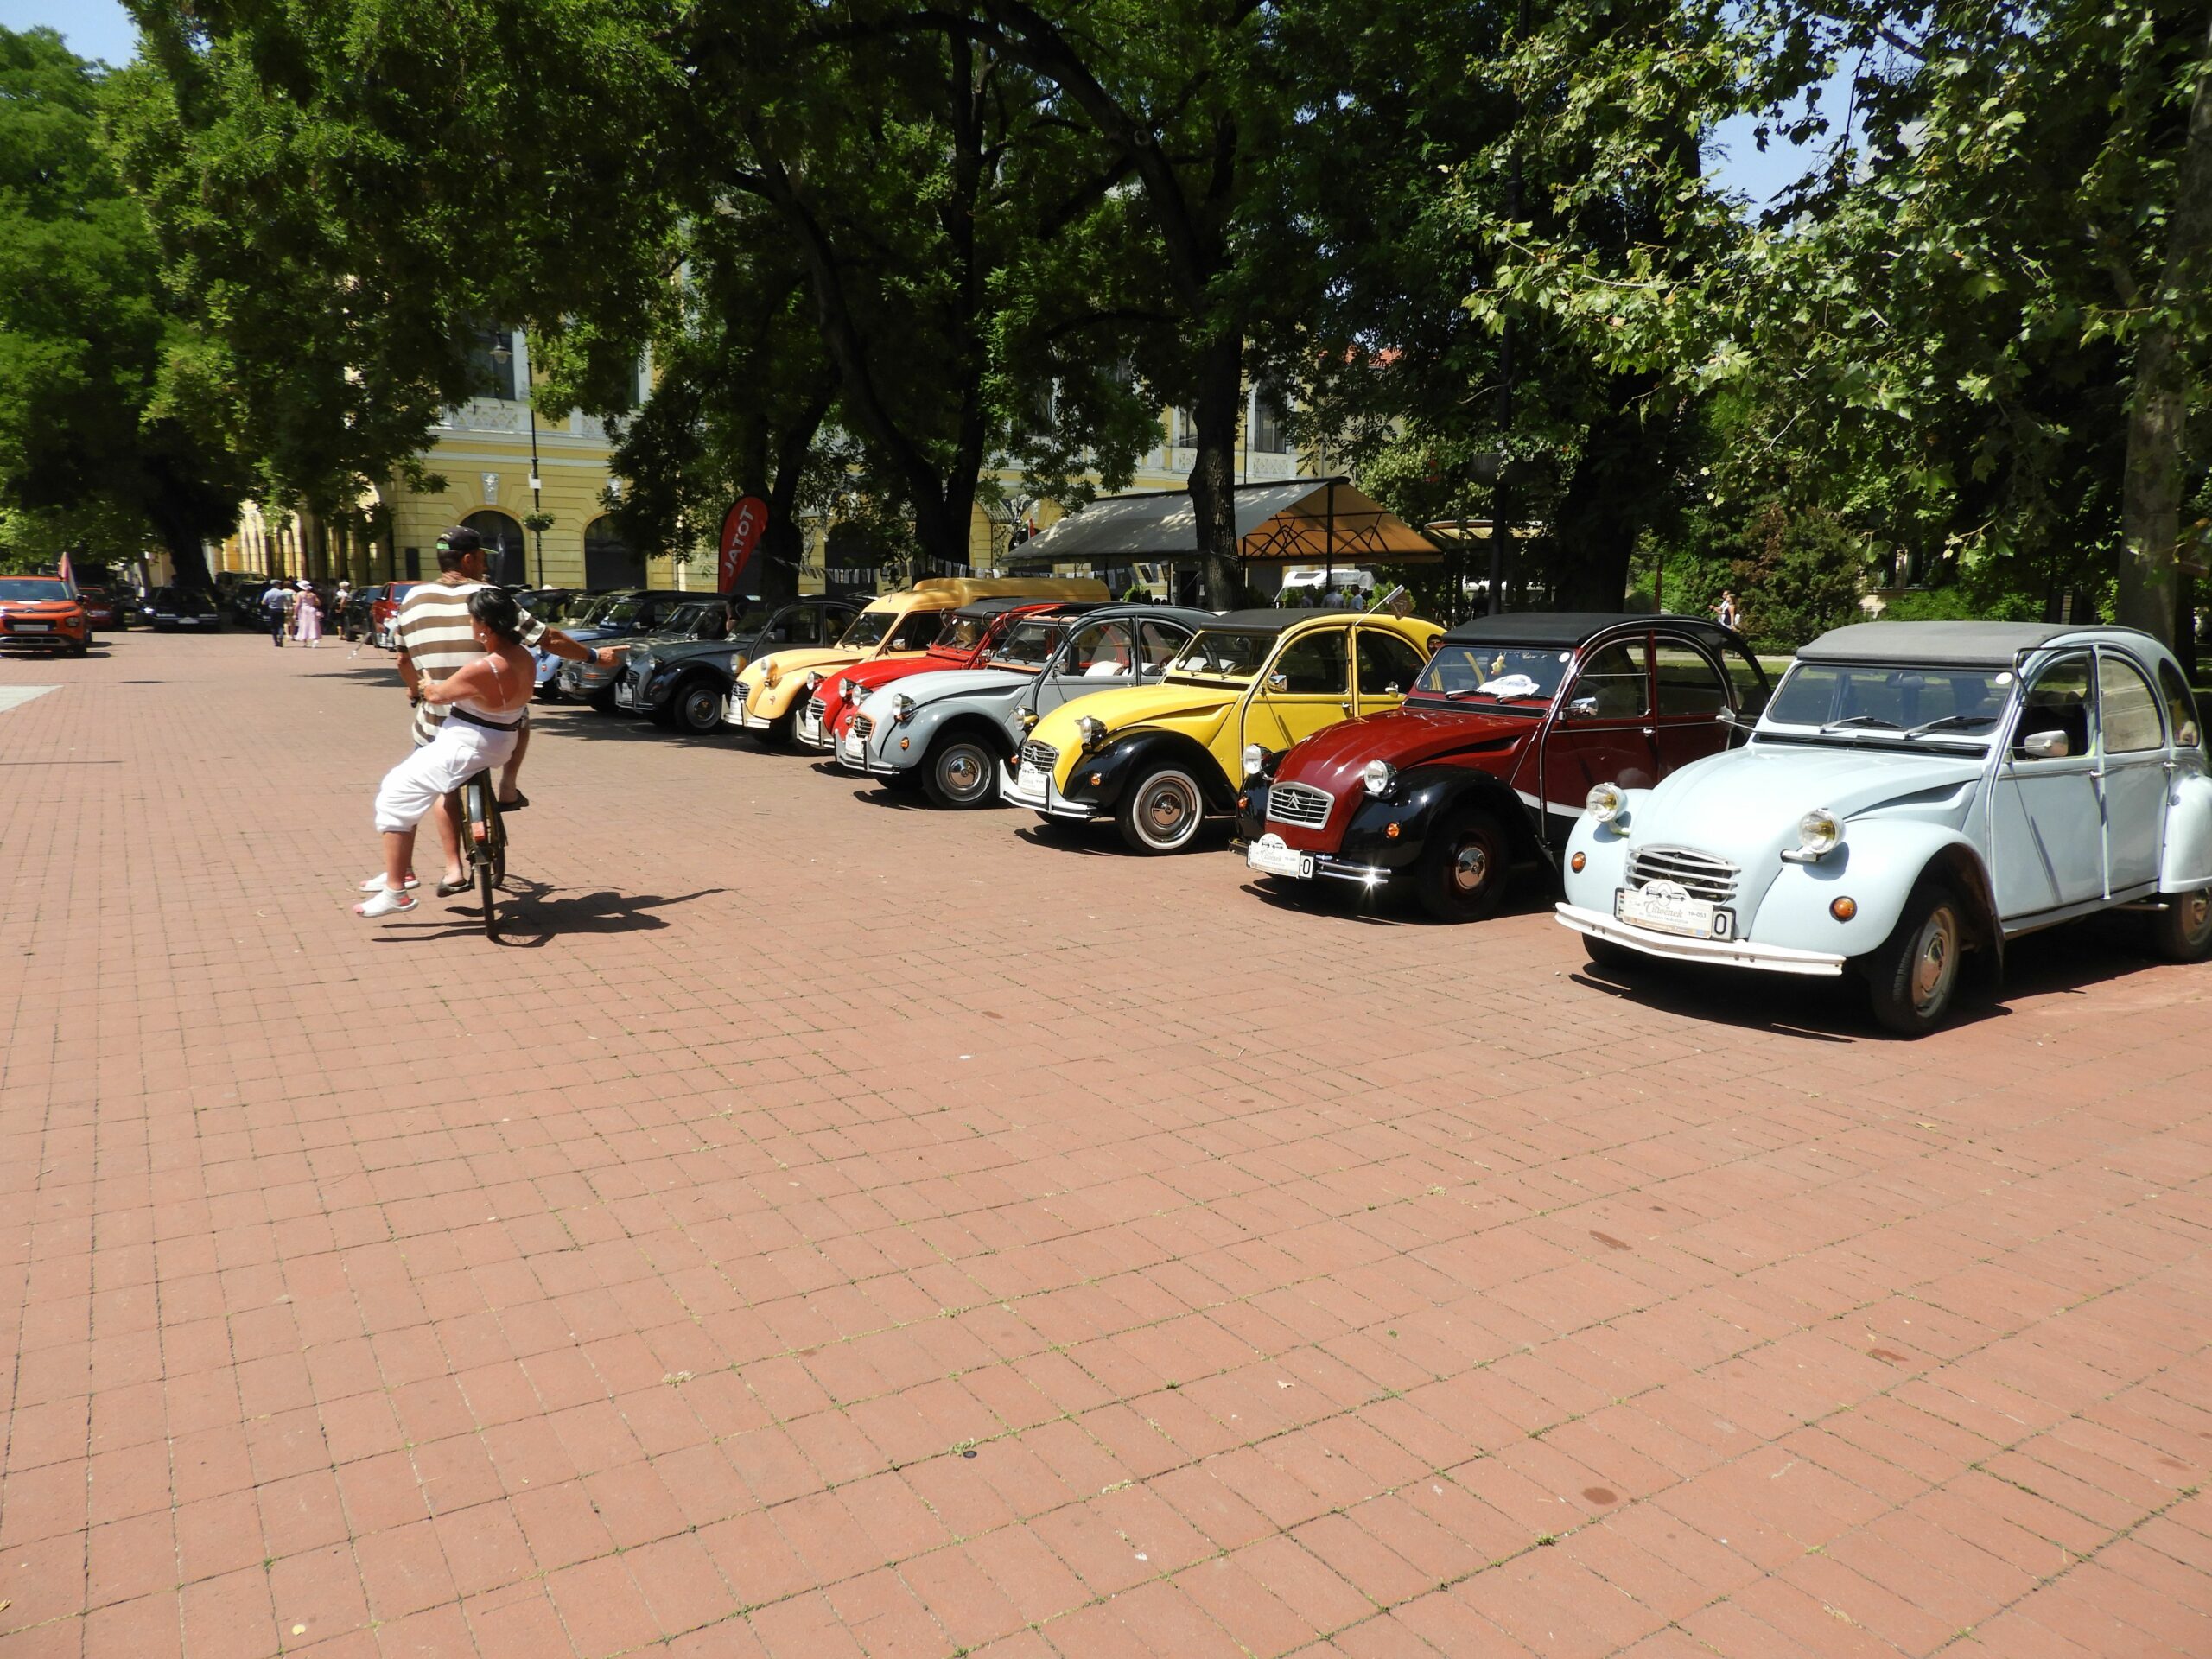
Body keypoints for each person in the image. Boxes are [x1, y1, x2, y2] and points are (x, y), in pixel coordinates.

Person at [373, 526, 613, 894]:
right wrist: (594, 655)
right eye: (482, 558)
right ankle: (508, 786)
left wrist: (414, 693)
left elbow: (403, 659)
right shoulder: (486, 597)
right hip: (494, 718)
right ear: (469, 560)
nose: (485, 565)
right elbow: (545, 637)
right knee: (521, 717)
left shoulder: (411, 599)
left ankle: (451, 868)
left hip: (437, 718)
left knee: (435, 787)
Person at [357, 589, 535, 918]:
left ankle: (397, 888)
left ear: (484, 627)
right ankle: (403, 870)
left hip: (468, 745)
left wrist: (425, 685)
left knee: (395, 793)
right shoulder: (524, 657)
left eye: (472, 619)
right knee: (411, 788)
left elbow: (436, 695)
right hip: (500, 740)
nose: (470, 625)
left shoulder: (483, 667)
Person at [294, 580, 323, 647]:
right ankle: (315, 639)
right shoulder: (313, 594)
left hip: (304, 610)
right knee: (313, 624)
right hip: (312, 610)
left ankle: (305, 641)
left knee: (304, 624)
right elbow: (319, 603)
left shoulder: (300, 594)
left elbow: (298, 604)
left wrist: (295, 613)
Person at [261, 580, 290, 646]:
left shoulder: (268, 593)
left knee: (273, 626)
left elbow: (263, 602)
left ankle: (275, 641)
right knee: (280, 625)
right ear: (277, 585)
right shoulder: (282, 593)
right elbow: (287, 602)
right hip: (280, 610)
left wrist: (269, 603)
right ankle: (280, 636)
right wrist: (288, 609)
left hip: (272, 610)